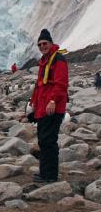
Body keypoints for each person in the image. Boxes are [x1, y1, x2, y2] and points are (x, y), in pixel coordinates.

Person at [30, 28, 68, 183]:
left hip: (53, 108)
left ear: (51, 43)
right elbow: (40, 86)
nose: (42, 46)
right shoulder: (45, 61)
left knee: (49, 141)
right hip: (42, 108)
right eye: (39, 45)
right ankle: (44, 173)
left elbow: (61, 84)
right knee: (43, 141)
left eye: (44, 43)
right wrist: (33, 104)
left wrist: (53, 101)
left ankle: (50, 176)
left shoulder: (58, 59)